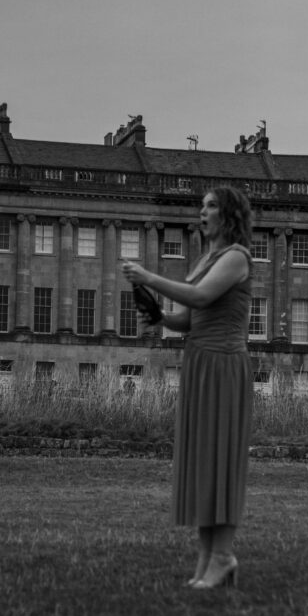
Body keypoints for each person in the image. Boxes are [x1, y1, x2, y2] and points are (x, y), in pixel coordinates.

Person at [123, 186, 254, 589]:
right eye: (201, 205)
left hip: (223, 365)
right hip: (200, 361)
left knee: (221, 460)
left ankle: (224, 555)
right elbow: (190, 318)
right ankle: (207, 559)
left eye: (211, 206)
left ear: (228, 215)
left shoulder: (236, 257)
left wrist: (148, 276)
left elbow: (199, 296)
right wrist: (160, 316)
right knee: (202, 461)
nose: (202, 212)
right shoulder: (205, 259)